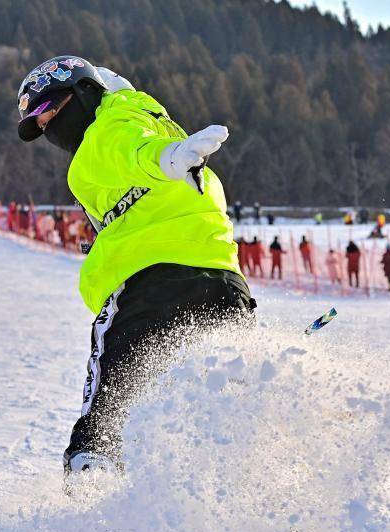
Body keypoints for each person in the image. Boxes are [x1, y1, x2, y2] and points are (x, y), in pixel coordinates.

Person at [15, 55, 254, 475]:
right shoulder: (146, 117)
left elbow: (132, 152)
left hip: (151, 286)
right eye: (37, 121)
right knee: (231, 404)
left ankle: (90, 497)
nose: (46, 126)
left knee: (108, 411)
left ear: (85, 93)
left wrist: (168, 159)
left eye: (49, 109)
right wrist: (172, 156)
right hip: (223, 283)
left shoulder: (106, 131)